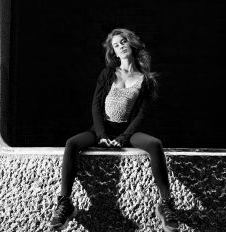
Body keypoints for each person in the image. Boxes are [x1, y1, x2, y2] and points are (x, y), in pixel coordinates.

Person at [50, 28, 179, 231]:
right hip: (101, 130)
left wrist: (123, 137)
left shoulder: (145, 79)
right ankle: (65, 203)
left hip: (127, 132)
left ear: (131, 45)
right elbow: (95, 106)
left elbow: (141, 115)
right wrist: (101, 135)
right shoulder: (108, 73)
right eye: (116, 45)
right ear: (114, 53)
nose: (120, 46)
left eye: (123, 41)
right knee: (72, 143)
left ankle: (166, 204)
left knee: (155, 144)